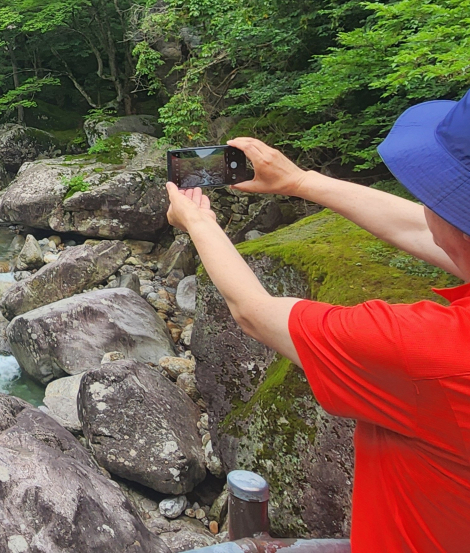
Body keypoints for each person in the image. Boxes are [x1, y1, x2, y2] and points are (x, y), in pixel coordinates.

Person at [165, 92, 470, 552]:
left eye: (434, 192)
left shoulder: (432, 351)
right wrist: (299, 181)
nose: (426, 203)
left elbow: (255, 313)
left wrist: (197, 221)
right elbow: (426, 230)